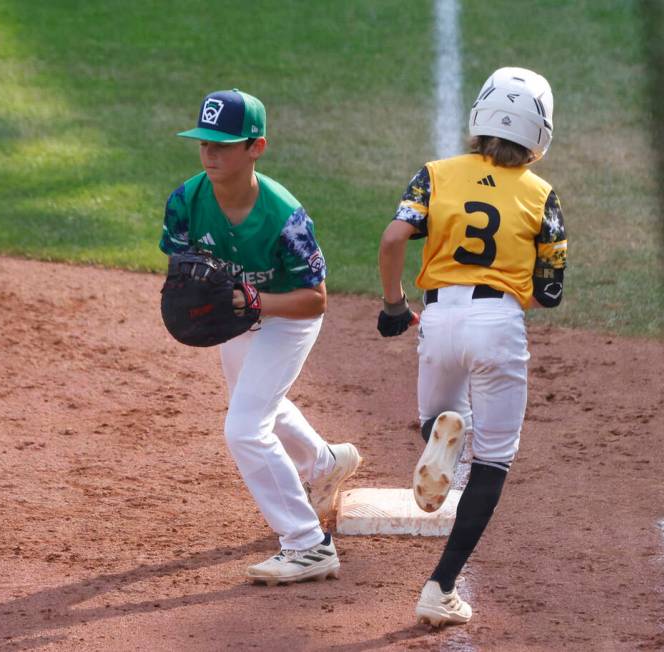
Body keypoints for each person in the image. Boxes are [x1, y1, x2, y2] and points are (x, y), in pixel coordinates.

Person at [377, 67, 567, 626]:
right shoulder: (543, 196)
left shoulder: (434, 176)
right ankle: (441, 585)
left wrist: (393, 306)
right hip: (498, 323)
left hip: (438, 318)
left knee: (436, 417)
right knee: (494, 459)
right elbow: (551, 291)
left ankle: (443, 436)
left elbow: (393, 238)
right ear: (540, 133)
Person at [160, 88, 361, 585]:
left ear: (256, 147)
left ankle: (307, 543)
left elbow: (315, 299)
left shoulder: (284, 216)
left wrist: (252, 302)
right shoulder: (186, 201)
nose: (211, 153)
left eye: (224, 144)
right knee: (256, 405)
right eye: (204, 142)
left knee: (245, 428)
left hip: (287, 317)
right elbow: (181, 270)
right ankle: (325, 462)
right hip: (237, 319)